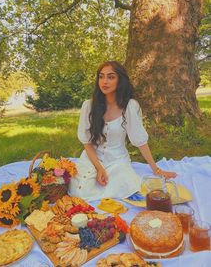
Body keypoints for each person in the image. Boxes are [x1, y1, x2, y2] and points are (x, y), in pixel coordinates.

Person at [69, 61, 177, 201]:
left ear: (120, 80)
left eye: (111, 77)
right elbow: (87, 142)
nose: (104, 81)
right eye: (101, 77)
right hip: (92, 158)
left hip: (117, 160)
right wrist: (99, 168)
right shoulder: (89, 106)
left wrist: (156, 169)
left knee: (128, 182)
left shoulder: (130, 106)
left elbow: (140, 141)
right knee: (80, 189)